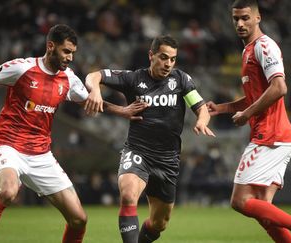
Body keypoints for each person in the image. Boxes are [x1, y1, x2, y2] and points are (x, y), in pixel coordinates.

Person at [0, 24, 146, 243]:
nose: (70, 58)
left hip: (40, 154)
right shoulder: (22, 68)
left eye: (73, 53)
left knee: (79, 220)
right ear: (50, 46)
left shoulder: (68, 79)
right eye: (66, 51)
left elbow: (92, 102)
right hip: (8, 145)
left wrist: (123, 111)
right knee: (7, 191)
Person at [205, 1, 291, 242]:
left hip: (270, 135)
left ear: (258, 17)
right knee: (264, 211)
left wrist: (247, 114)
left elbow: (279, 88)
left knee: (239, 201)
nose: (239, 23)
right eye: (236, 19)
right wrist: (223, 108)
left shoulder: (265, 46)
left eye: (245, 18)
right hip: (276, 136)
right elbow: (255, 96)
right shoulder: (247, 50)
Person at [84, 35, 215, 243]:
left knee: (159, 223)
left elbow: (201, 107)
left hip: (168, 160)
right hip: (138, 152)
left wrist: (201, 120)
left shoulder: (181, 80)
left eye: (172, 59)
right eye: (163, 57)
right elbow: (93, 75)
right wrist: (96, 91)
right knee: (128, 194)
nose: (168, 64)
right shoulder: (133, 79)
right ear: (151, 55)